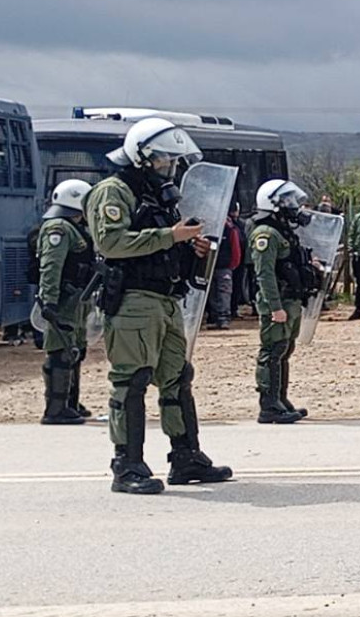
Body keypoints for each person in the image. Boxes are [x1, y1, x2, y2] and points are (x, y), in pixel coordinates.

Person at [88, 117, 231, 495]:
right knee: (131, 380)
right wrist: (171, 235)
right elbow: (112, 244)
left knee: (177, 377)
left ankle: (185, 457)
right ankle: (127, 465)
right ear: (142, 157)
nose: (169, 167)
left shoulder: (156, 196)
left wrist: (189, 246)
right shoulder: (112, 192)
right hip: (133, 300)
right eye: (163, 160)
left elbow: (162, 244)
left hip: (166, 300)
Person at [249, 179, 322, 424]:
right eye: (287, 201)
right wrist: (275, 307)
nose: (293, 205)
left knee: (285, 349)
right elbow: (265, 274)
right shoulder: (266, 234)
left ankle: (281, 399)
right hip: (277, 301)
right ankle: (268, 405)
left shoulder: (282, 232)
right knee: (272, 350)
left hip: (290, 299)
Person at [34, 179, 96, 426]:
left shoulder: (75, 227)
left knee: (76, 349)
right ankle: (55, 408)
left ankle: (71, 402)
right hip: (63, 300)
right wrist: (48, 301)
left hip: (77, 299)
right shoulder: (58, 229)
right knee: (61, 351)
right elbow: (51, 267)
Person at [205, 201, 242, 330]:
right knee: (212, 293)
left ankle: (223, 318)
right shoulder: (208, 227)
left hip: (224, 266)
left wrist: (233, 264)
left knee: (224, 293)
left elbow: (235, 247)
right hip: (210, 266)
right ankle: (215, 317)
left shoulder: (229, 228)